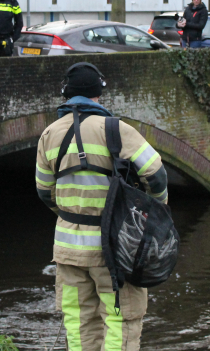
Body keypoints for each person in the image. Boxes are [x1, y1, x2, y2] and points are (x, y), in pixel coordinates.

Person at [35, 63, 169, 351]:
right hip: (115, 251)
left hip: (68, 250)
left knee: (79, 322)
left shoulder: (49, 134)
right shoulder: (116, 130)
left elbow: (44, 192)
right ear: (98, 94)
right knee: (121, 320)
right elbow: (157, 175)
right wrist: (156, 212)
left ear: (67, 94)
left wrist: (70, 218)